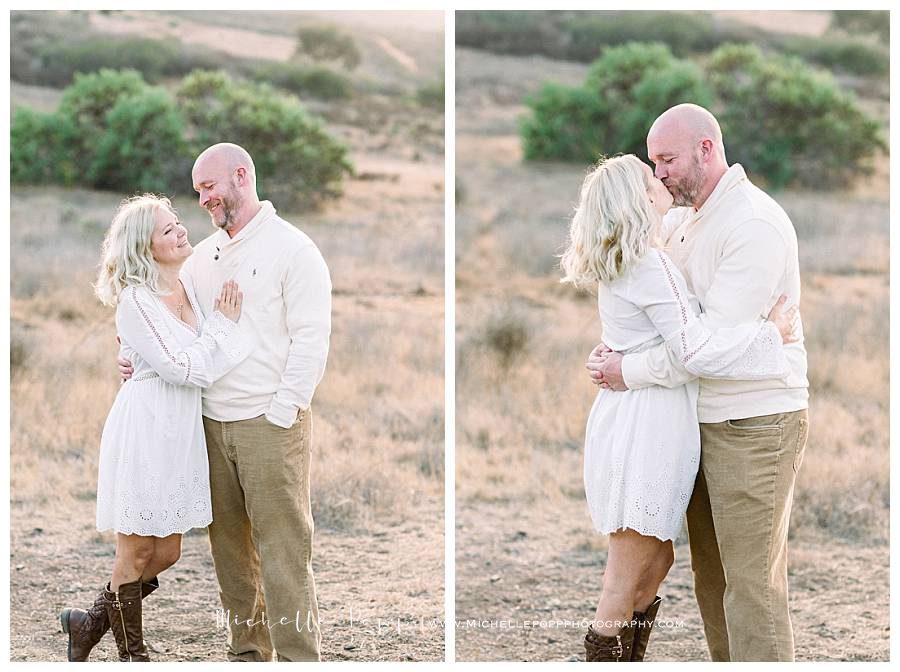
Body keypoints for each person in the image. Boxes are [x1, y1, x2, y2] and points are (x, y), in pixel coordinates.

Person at [587, 104, 810, 661]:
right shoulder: (681, 219)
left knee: (752, 584)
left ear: (707, 149)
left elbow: (705, 349)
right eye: (652, 162)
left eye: (667, 159)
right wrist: (625, 351)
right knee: (711, 580)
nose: (658, 172)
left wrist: (628, 369)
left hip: (753, 421)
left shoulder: (750, 224)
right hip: (696, 420)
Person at [118, 143, 332, 661]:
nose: (203, 201)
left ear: (241, 176)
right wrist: (129, 355)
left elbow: (312, 339)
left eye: (209, 188)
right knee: (230, 553)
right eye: (197, 193)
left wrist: (284, 410)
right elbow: (166, 320)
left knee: (284, 551)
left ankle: (300, 658)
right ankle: (248, 654)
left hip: (269, 423)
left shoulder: (293, 249)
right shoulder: (204, 257)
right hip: (209, 425)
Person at [59, 194, 249, 661]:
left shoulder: (189, 289)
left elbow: (197, 362)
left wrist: (206, 340)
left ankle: (88, 624)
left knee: (167, 553)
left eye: (178, 222)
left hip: (181, 429)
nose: (181, 231)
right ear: (145, 247)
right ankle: (133, 656)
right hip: (146, 426)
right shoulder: (136, 301)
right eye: (168, 230)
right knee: (136, 548)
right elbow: (181, 368)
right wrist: (221, 331)